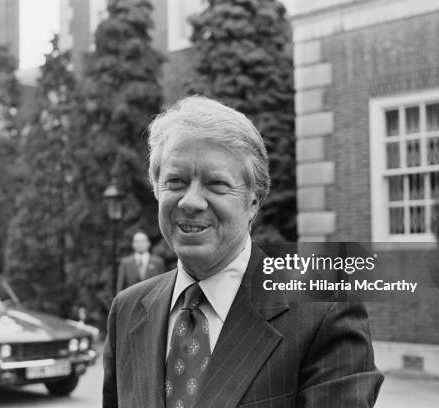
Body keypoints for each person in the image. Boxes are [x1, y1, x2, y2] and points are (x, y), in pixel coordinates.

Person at [102, 96, 383, 408]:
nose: (190, 201)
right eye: (176, 181)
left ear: (253, 202)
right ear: (157, 190)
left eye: (216, 184)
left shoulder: (323, 310)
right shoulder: (127, 311)